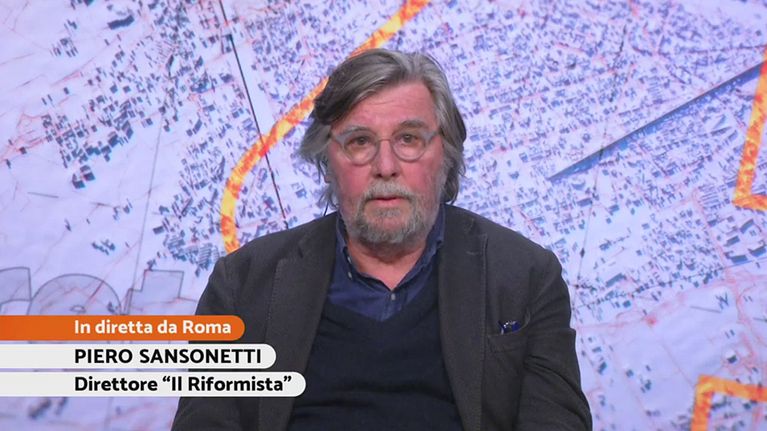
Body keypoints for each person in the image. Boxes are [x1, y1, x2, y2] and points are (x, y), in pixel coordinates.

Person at [173, 48, 592, 431]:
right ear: (327, 162)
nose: (385, 165)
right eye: (360, 142)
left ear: (445, 156)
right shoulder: (242, 283)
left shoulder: (524, 276)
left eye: (409, 139)